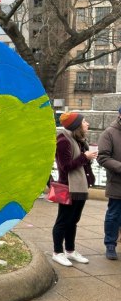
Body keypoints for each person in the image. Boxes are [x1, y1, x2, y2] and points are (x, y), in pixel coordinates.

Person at [51, 112, 96, 267]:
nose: (87, 124)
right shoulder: (63, 141)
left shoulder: (79, 140)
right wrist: (85, 157)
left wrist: (87, 158)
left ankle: (70, 250)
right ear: (77, 125)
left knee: (73, 221)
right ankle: (58, 252)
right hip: (68, 187)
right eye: (84, 122)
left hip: (80, 187)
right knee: (63, 221)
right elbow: (65, 167)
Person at [96, 106, 121, 260]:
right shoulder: (109, 133)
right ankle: (110, 244)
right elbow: (103, 157)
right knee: (114, 215)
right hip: (117, 183)